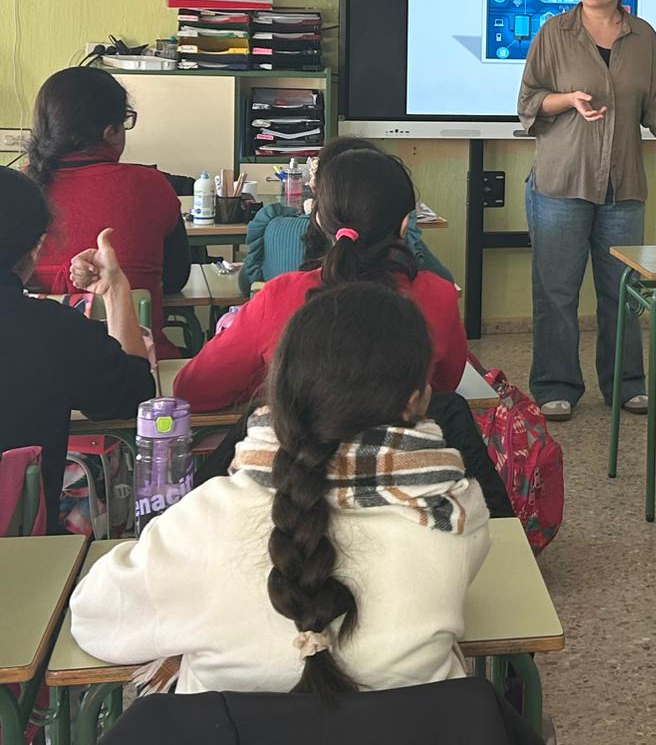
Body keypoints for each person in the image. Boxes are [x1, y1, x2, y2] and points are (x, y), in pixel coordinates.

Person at [71, 282, 491, 694]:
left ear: (279, 392)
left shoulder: (204, 519)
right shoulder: (455, 515)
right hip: (414, 728)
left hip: (227, 728)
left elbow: (95, 620)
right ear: (417, 401)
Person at [516, 0, 656, 421]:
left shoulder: (643, 37)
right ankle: (556, 385)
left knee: (622, 292)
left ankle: (626, 384)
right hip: (561, 181)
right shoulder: (554, 33)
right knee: (556, 292)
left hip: (622, 183)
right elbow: (529, 101)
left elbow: (652, 106)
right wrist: (568, 100)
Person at [174, 148, 467, 411]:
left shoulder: (279, 295)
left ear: (318, 219)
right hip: (402, 452)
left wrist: (269, 389)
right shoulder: (439, 295)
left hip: (300, 452)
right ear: (405, 225)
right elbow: (444, 387)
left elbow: (193, 390)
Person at [0, 167, 155, 532]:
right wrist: (115, 290)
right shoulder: (52, 330)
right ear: (36, 246)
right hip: (22, 550)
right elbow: (135, 394)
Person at [25, 67, 189, 353]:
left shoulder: (18, 191)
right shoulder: (151, 185)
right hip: (140, 361)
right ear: (111, 131)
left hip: (37, 365)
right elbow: (176, 279)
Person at [243, 137, 453, 285]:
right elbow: (445, 283)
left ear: (318, 188)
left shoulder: (274, 228)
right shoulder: (395, 240)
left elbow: (247, 285)